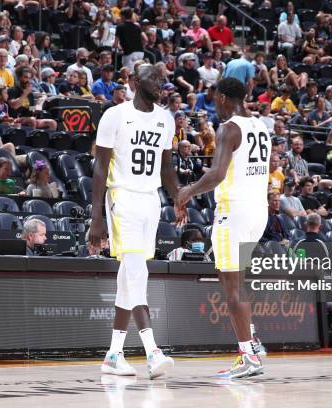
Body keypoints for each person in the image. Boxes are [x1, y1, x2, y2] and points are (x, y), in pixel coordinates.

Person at [89, 64, 183, 379]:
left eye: (162, 78)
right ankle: (152, 351)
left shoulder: (165, 119)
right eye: (153, 77)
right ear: (133, 81)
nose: (161, 82)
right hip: (122, 198)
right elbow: (100, 169)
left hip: (150, 200)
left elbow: (167, 167)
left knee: (128, 279)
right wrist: (96, 218)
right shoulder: (114, 116)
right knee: (136, 271)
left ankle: (114, 355)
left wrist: (178, 196)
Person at [177, 77, 271, 378]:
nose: (215, 103)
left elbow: (218, 174)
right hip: (258, 211)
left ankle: (248, 356)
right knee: (228, 276)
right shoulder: (261, 127)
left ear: (225, 98)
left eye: (216, 98)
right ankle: (252, 342)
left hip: (235, 212)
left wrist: (188, 190)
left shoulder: (228, 128)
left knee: (232, 287)